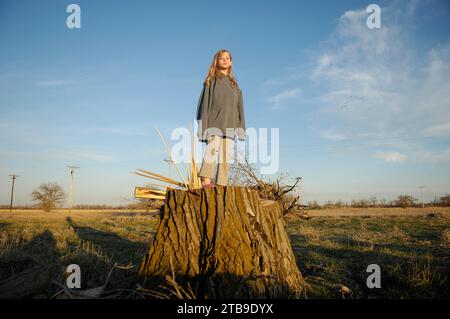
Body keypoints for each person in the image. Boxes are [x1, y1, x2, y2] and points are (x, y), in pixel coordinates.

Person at [196, 49, 246, 188]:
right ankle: (206, 181)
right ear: (216, 61)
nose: (224, 60)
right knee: (212, 150)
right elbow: (203, 105)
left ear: (230, 62)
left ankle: (222, 184)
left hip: (230, 125)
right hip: (214, 123)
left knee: (225, 156)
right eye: (221, 58)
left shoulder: (235, 86)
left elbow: (240, 108)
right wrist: (202, 127)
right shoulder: (211, 81)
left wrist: (241, 128)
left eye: (227, 58)